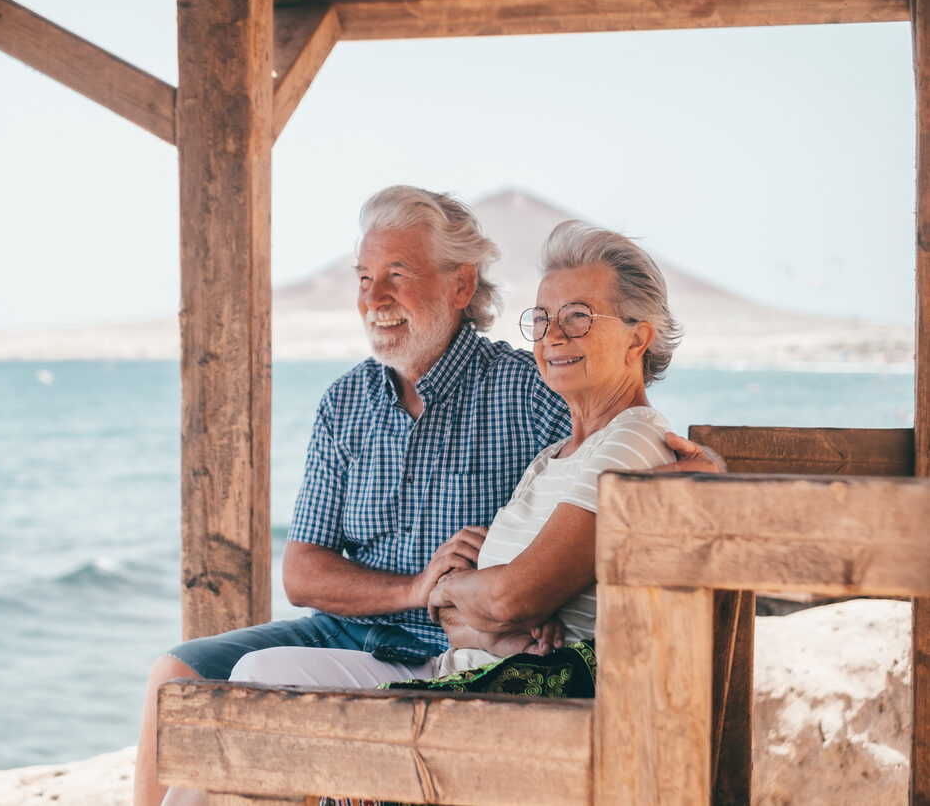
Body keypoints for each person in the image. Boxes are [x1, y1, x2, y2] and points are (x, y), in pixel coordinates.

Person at [134, 189, 717, 806]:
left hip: (459, 654)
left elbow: (617, 440)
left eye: (397, 275)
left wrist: (704, 479)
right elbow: (302, 572)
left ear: (461, 286)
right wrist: (424, 587)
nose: (374, 298)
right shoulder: (346, 403)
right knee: (176, 677)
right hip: (362, 633)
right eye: (364, 278)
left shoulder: (534, 387)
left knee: (247, 718)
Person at [228, 220, 683, 698]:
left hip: (501, 696)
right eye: (543, 318)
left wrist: (448, 589)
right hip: (466, 670)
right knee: (245, 675)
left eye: (578, 316)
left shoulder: (626, 440)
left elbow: (513, 596)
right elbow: (473, 615)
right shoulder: (556, 456)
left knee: (251, 686)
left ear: (637, 340)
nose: (552, 336)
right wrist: (474, 615)